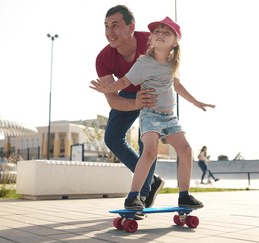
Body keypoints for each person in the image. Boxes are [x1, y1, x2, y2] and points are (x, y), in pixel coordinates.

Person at [91, 16, 215, 209]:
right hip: (150, 114)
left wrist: (196, 102)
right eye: (157, 32)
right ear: (150, 39)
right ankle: (134, 196)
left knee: (186, 150)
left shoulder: (173, 64)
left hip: (169, 117)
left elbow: (177, 85)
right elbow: (124, 82)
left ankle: (184, 195)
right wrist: (106, 89)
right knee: (149, 151)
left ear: (175, 43)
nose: (160, 34)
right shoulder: (143, 63)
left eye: (166, 33)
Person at [94, 5, 165, 209]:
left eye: (115, 25)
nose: (109, 32)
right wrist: (135, 102)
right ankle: (151, 181)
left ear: (131, 27)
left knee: (147, 141)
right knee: (112, 137)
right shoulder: (103, 58)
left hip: (153, 92)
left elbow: (170, 68)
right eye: (106, 26)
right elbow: (113, 100)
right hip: (128, 94)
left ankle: (141, 194)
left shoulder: (150, 42)